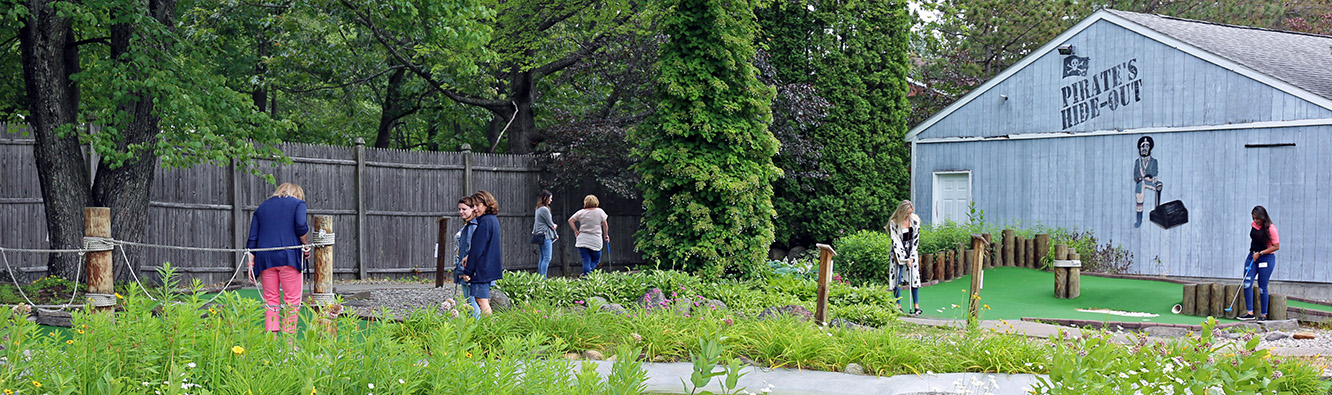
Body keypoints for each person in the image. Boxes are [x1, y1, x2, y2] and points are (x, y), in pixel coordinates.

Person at [246, 182, 311, 334]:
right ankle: (288, 347)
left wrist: (250, 262)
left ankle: (272, 344)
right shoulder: (298, 204)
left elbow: (252, 238)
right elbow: (301, 225)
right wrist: (305, 244)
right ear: (297, 193)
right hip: (289, 257)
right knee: (291, 301)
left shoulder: (262, 207)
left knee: (270, 301)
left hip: (265, 259)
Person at [460, 191, 502, 316]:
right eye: (473, 206)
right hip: (489, 266)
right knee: (482, 300)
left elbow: (477, 250)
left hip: (482, 269)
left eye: (477, 205)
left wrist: (467, 271)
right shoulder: (492, 220)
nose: (475, 209)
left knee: (481, 301)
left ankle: (489, 331)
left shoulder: (484, 223)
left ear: (487, 204)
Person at [1239, 206, 1280, 321]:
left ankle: (1263, 314)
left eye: (1258, 218)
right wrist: (1255, 253)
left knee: (1262, 287)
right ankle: (1250, 313)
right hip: (1252, 256)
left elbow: (1276, 246)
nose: (1256, 220)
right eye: (1254, 218)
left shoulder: (1271, 228)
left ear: (1263, 216)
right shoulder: (1254, 225)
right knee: (1247, 282)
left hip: (1266, 258)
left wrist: (1260, 253)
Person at [885, 200, 922, 316]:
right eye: (907, 213)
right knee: (897, 277)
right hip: (898, 252)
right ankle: (898, 305)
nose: (909, 216)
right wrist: (904, 258)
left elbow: (916, 240)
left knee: (914, 276)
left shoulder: (915, 220)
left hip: (911, 250)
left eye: (910, 213)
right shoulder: (894, 223)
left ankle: (916, 305)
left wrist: (911, 257)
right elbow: (896, 241)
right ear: (901, 212)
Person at [453, 195, 482, 319]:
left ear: (472, 209)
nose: (461, 212)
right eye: (459, 209)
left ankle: (475, 328)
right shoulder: (468, 225)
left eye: (464, 209)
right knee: (471, 301)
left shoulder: (472, 227)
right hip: (465, 269)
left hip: (467, 271)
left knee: (472, 301)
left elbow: (469, 251)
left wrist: (462, 270)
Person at [568, 195, 609, 276]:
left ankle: (586, 276)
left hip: (582, 239)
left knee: (586, 261)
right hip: (595, 240)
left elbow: (570, 220)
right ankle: (588, 273)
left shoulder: (580, 212)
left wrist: (576, 231)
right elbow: (605, 225)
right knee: (596, 260)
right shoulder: (600, 211)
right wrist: (606, 235)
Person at [1133, 135, 1163, 228]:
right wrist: (1140, 178)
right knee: (1140, 188)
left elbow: (1155, 172)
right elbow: (1136, 175)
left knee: (1159, 185)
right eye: (1143, 146)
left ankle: (1157, 211)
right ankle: (1139, 220)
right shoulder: (1138, 161)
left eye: (1147, 146)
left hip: (1150, 181)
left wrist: (1153, 178)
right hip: (1141, 181)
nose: (1144, 148)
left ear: (1150, 148)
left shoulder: (1154, 161)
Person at [531, 190, 559, 278]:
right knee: (547, 258)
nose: (551, 200)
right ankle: (544, 278)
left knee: (542, 257)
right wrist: (555, 228)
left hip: (541, 235)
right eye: (550, 198)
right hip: (546, 236)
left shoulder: (538, 208)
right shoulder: (544, 209)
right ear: (546, 199)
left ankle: (540, 277)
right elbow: (551, 224)